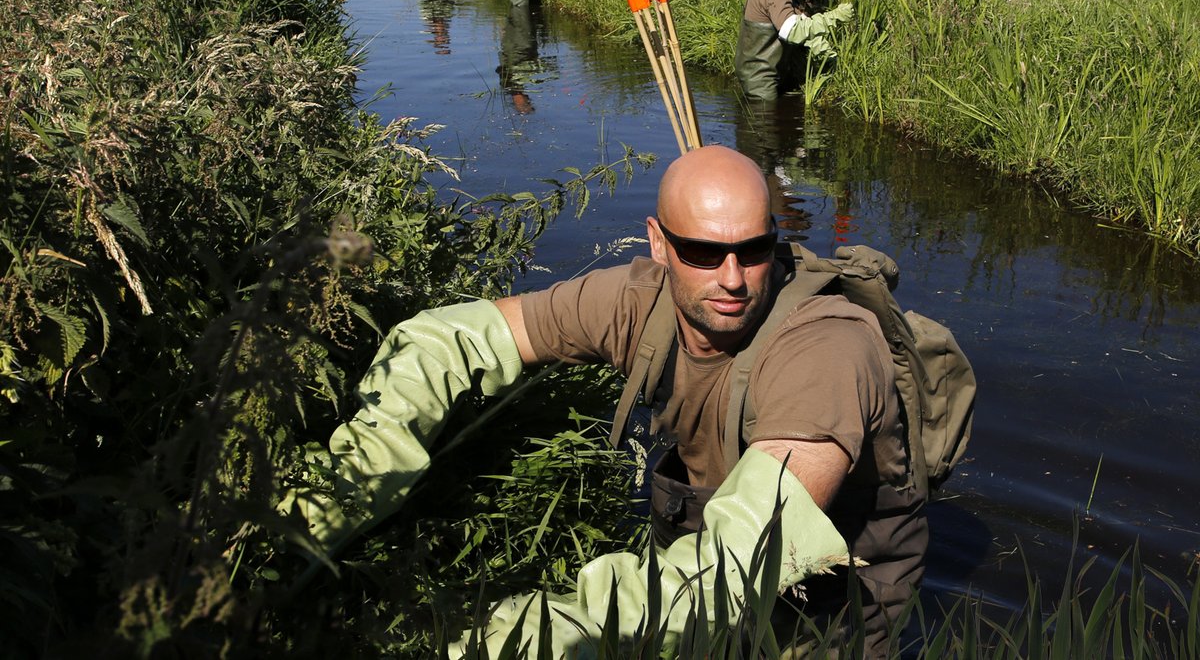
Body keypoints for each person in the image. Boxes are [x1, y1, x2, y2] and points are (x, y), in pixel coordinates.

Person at [293, 146, 925, 657]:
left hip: (827, 603)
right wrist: (344, 492)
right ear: (658, 244)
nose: (732, 278)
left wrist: (545, 630)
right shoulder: (636, 302)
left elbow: (749, 556)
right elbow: (449, 339)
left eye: (753, 251)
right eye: (702, 252)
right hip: (701, 563)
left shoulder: (827, 349)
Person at [735, 0, 855, 100]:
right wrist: (835, 17)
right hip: (761, 80)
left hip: (759, 74)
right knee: (763, 122)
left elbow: (793, 21)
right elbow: (792, 31)